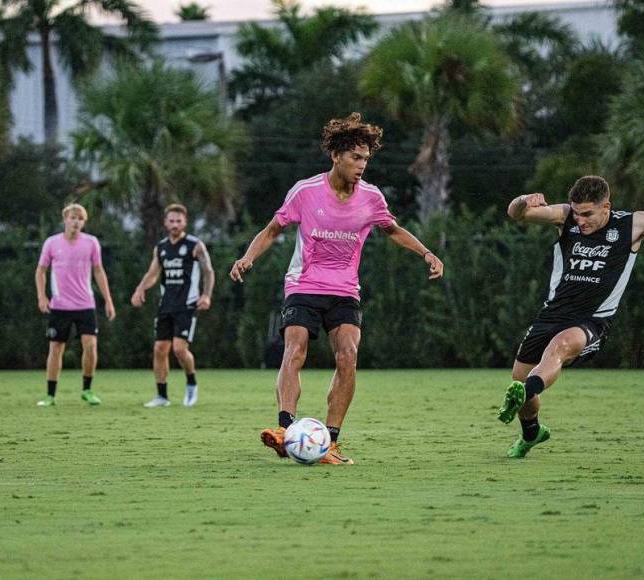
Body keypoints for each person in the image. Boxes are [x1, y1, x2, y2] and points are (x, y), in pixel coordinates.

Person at [230, 112, 444, 465]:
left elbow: (392, 230)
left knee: (348, 356)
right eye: (355, 157)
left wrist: (426, 252)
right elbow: (271, 230)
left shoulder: (372, 198)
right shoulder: (306, 191)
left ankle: (328, 442)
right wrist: (247, 257)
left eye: (366, 159)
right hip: (304, 284)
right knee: (295, 349)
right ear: (336, 156)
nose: (362, 165)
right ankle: (285, 429)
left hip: (345, 289)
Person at [498, 175, 644, 457]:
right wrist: (523, 200)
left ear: (606, 206)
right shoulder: (565, 217)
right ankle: (532, 432)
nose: (580, 221)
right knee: (518, 383)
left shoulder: (634, 224)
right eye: (577, 214)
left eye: (587, 214)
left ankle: (529, 389)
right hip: (551, 314)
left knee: (558, 348)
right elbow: (517, 214)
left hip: (591, 321)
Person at [131, 203, 215, 408]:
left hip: (187, 304)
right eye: (171, 220)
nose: (175, 224)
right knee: (159, 348)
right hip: (165, 305)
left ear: (185, 222)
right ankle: (161, 396)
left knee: (179, 349)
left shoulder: (195, 245)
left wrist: (206, 295)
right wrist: (140, 289)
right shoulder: (160, 248)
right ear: (165, 222)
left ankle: (191, 383)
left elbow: (208, 271)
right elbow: (153, 273)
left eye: (179, 221)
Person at [35, 203, 116, 407]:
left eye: (80, 219)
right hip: (60, 305)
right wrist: (42, 296)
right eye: (73, 217)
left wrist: (108, 300)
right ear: (65, 219)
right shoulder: (52, 243)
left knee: (90, 346)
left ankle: (87, 390)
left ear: (84, 222)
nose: (76, 222)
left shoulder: (91, 243)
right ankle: (50, 395)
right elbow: (40, 271)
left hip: (85, 305)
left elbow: (99, 271)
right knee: (55, 348)